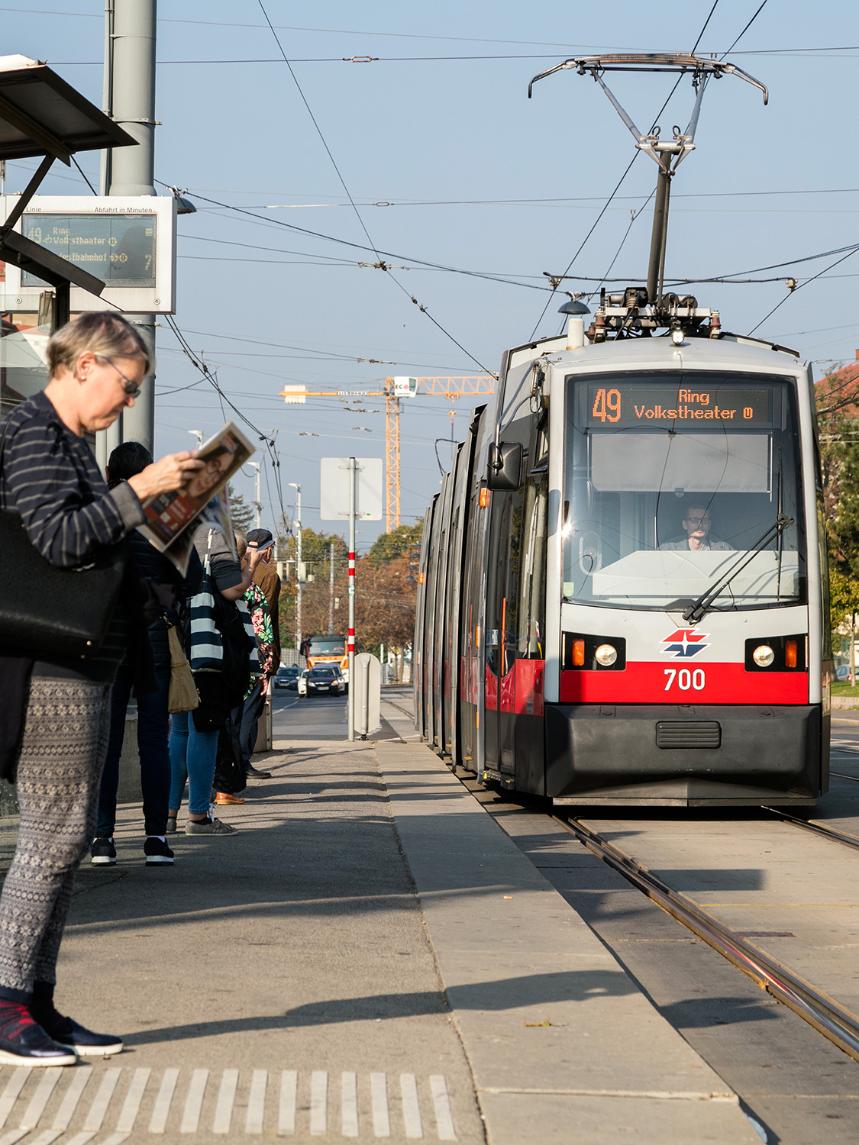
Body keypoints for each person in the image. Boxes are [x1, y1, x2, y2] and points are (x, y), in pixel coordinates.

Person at [0, 312, 202, 1066]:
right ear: (85, 363)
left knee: (68, 837)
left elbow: (88, 534)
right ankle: (6, 1001)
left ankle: (35, 999)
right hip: (49, 664)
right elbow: (54, 538)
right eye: (126, 385)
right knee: (52, 835)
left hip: (80, 660)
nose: (128, 401)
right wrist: (139, 489)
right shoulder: (38, 432)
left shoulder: (73, 443)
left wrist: (160, 517)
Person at [90, 442, 201, 868]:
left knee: (108, 742)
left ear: (110, 472)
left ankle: (103, 839)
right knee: (154, 740)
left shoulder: (98, 509)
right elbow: (191, 580)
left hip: (107, 642)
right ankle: (156, 838)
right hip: (155, 639)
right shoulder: (168, 513)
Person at [167, 506, 251, 835]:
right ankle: (199, 815)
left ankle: (168, 814)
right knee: (205, 730)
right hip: (207, 649)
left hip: (177, 645)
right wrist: (249, 569)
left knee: (179, 732)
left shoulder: (173, 532)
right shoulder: (215, 535)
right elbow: (230, 589)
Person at [659, 505, 732, 551]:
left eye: (704, 520)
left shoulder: (724, 548)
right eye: (694, 520)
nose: (700, 525)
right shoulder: (668, 549)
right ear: (685, 524)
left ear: (709, 524)